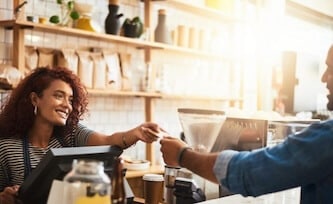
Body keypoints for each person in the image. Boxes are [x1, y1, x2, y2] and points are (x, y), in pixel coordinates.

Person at [160, 44, 333, 204]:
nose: (324, 78)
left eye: (330, 68)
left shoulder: (328, 138)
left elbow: (250, 172)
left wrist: (182, 155)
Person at [0, 66, 162, 204]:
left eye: (70, 99)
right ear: (35, 99)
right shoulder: (7, 149)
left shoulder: (72, 135)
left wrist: (136, 133)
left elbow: (107, 142)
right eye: (58, 96)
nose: (67, 105)